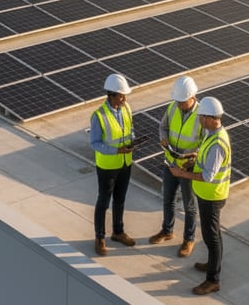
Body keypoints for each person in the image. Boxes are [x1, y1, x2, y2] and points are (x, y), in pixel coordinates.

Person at [166, 96, 231, 296]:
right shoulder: (212, 134)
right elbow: (205, 163)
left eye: (202, 117)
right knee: (214, 235)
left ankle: (213, 280)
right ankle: (212, 265)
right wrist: (193, 163)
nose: (199, 120)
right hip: (208, 194)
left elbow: (208, 175)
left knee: (212, 238)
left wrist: (181, 173)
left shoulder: (217, 143)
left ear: (211, 118)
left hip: (212, 196)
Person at [148, 75, 201, 258]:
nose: (179, 104)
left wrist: (195, 156)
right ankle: (167, 230)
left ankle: (189, 239)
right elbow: (163, 126)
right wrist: (163, 138)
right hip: (171, 162)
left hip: (188, 167)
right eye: (178, 101)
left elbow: (207, 142)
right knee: (168, 198)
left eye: (182, 101)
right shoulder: (172, 107)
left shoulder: (202, 115)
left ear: (193, 97)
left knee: (189, 205)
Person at [90, 73, 137, 256]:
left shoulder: (126, 108)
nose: (124, 99)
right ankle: (99, 237)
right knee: (103, 201)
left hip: (125, 162)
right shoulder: (99, 116)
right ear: (111, 95)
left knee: (120, 199)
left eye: (125, 96)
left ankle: (118, 231)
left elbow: (130, 130)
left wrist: (133, 141)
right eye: (121, 96)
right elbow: (95, 143)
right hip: (108, 166)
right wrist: (116, 150)